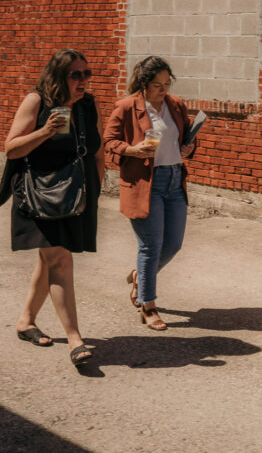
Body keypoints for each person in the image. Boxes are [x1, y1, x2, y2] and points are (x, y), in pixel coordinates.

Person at [2, 49, 104, 368]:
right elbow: (11, 148)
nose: (84, 80)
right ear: (59, 75)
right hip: (38, 194)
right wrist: (45, 130)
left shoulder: (88, 105)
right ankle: (75, 339)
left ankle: (25, 321)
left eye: (87, 74)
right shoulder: (36, 101)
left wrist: (96, 188)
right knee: (59, 258)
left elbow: (97, 152)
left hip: (74, 195)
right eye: (76, 74)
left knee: (48, 259)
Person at [103, 56, 196, 331]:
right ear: (143, 84)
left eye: (167, 83)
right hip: (145, 182)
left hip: (174, 178)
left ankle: (140, 276)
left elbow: (187, 136)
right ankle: (147, 305)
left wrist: (190, 148)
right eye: (157, 85)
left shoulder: (176, 104)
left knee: (174, 244)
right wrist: (132, 150)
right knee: (150, 246)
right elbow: (108, 141)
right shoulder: (126, 107)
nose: (163, 89)